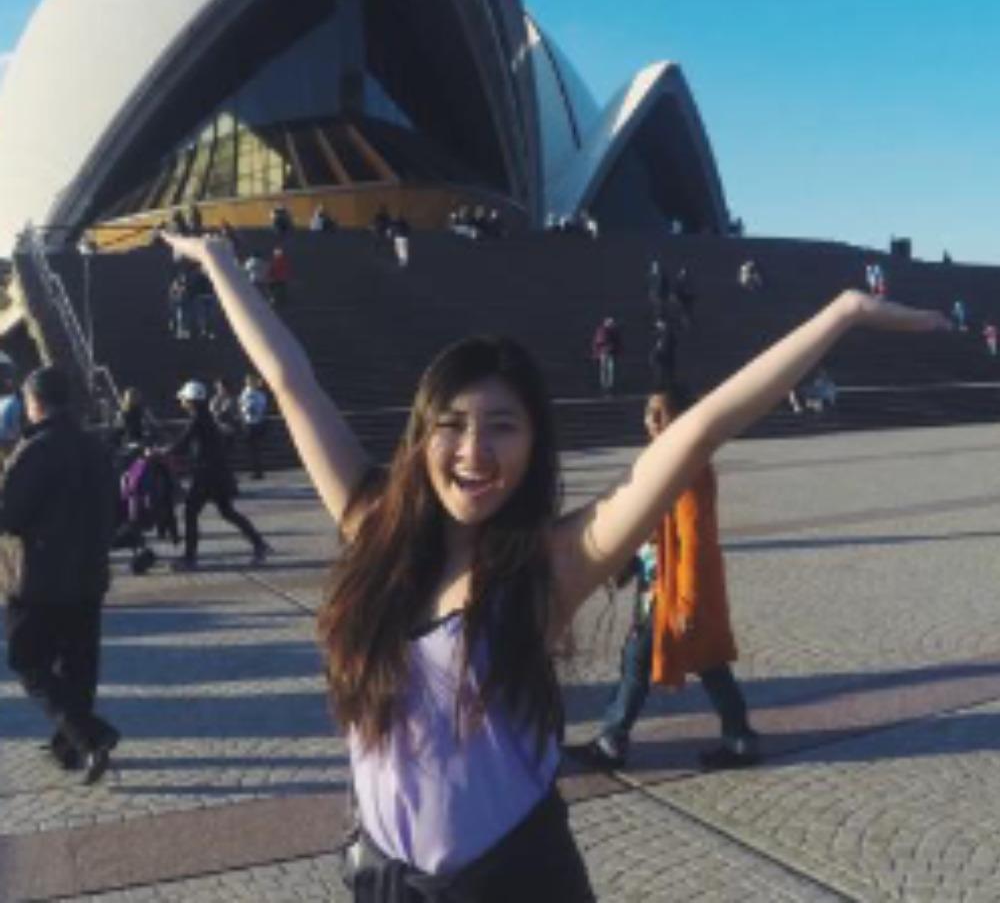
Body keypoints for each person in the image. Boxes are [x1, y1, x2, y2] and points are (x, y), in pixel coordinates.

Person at [160, 228, 946, 900]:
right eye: (454, 425)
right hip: (385, 881)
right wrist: (220, 262)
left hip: (515, 884)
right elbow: (290, 380)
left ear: (534, 445)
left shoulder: (549, 568)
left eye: (502, 427)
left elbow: (697, 433)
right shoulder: (374, 530)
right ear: (421, 434)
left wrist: (841, 315)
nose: (474, 452)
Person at [572, 388, 758, 772]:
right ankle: (739, 738)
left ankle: (612, 740)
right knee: (708, 664)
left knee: (640, 661)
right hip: (658, 582)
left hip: (672, 589)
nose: (653, 421)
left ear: (681, 418)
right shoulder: (663, 460)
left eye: (663, 413)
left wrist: (688, 601)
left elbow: (694, 540)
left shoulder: (687, 467)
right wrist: (624, 566)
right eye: (648, 412)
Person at [0, 366, 120, 784]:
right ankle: (70, 748)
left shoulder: (35, 450)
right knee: (78, 664)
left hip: (38, 578)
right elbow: (116, 511)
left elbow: (7, 515)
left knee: (26, 659)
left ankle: (90, 737)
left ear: (33, 403)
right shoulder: (94, 446)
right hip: (89, 573)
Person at [164, 381, 269, 571]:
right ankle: (259, 544)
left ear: (191, 401)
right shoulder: (206, 417)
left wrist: (161, 452)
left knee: (190, 512)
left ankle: (190, 557)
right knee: (227, 511)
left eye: (183, 399)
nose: (181, 402)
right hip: (219, 472)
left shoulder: (197, 419)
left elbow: (183, 444)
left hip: (206, 474)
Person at [239, 374, 269, 480]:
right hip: (254, 423)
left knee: (254, 449)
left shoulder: (252, 394)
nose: (248, 383)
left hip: (253, 423)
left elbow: (248, 408)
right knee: (254, 449)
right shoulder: (253, 393)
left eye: (249, 381)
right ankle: (257, 471)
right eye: (247, 381)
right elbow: (244, 407)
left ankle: (257, 471)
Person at [591, 317, 623, 395]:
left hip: (610, 353)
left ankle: (609, 386)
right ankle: (604, 386)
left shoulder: (614, 331)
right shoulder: (602, 331)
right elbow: (599, 341)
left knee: (609, 370)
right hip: (604, 352)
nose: (612, 324)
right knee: (605, 370)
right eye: (610, 323)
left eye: (612, 323)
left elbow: (618, 342)